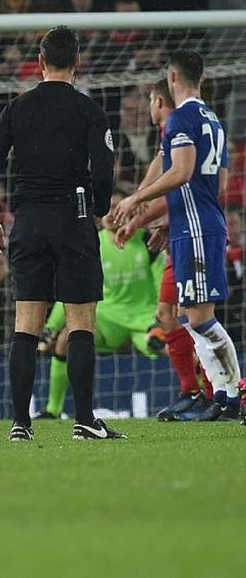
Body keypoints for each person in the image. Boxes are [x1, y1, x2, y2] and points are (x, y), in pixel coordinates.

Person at [0, 26, 120, 442]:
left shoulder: (16, 108)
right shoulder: (89, 110)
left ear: (40, 63)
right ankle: (85, 420)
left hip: (28, 222)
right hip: (72, 219)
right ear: (77, 61)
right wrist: (98, 209)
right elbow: (105, 167)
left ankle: (21, 424)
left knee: (27, 325)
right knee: (80, 323)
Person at [113, 50, 242, 422]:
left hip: (197, 229)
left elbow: (182, 172)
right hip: (195, 224)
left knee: (200, 318)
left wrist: (136, 198)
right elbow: (214, 182)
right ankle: (220, 394)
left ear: (171, 77)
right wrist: (165, 219)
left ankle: (231, 394)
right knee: (189, 315)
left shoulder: (181, 118)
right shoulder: (212, 120)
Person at [37, 189, 160, 420]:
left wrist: (161, 320)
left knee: (170, 343)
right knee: (65, 340)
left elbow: (162, 283)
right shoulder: (91, 243)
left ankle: (200, 396)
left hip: (143, 318)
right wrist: (51, 328)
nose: (112, 212)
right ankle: (53, 409)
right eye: (107, 207)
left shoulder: (146, 239)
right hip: (105, 318)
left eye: (117, 206)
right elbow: (74, 289)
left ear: (130, 211)